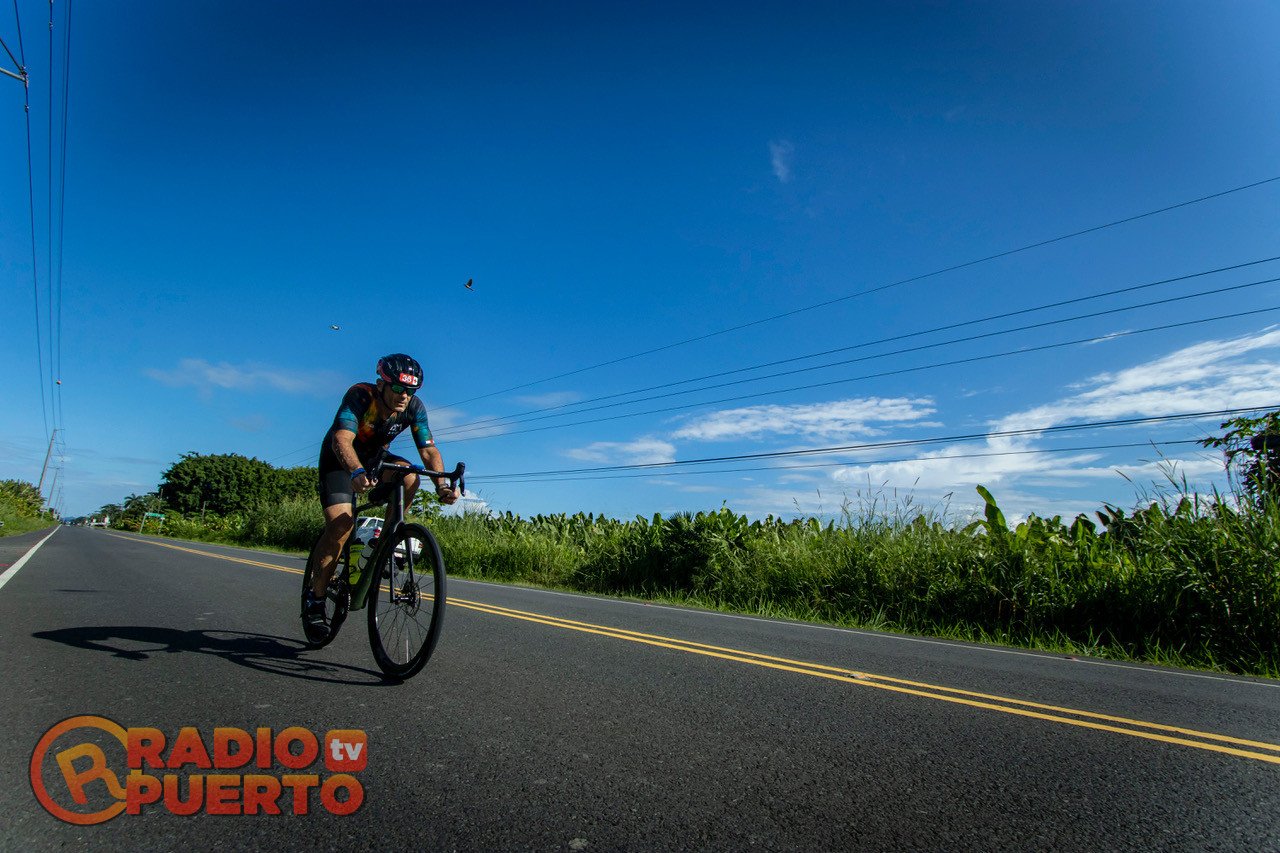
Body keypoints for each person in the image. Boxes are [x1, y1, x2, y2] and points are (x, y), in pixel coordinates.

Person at [305, 353, 458, 638]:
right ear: (381, 384)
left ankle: (388, 540)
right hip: (339, 461)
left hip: (375, 460)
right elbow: (342, 439)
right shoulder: (361, 396)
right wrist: (355, 471)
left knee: (410, 476)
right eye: (398, 388)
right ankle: (316, 599)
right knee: (341, 526)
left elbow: (428, 450)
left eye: (411, 390)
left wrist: (442, 485)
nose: (404, 396)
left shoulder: (413, 407)